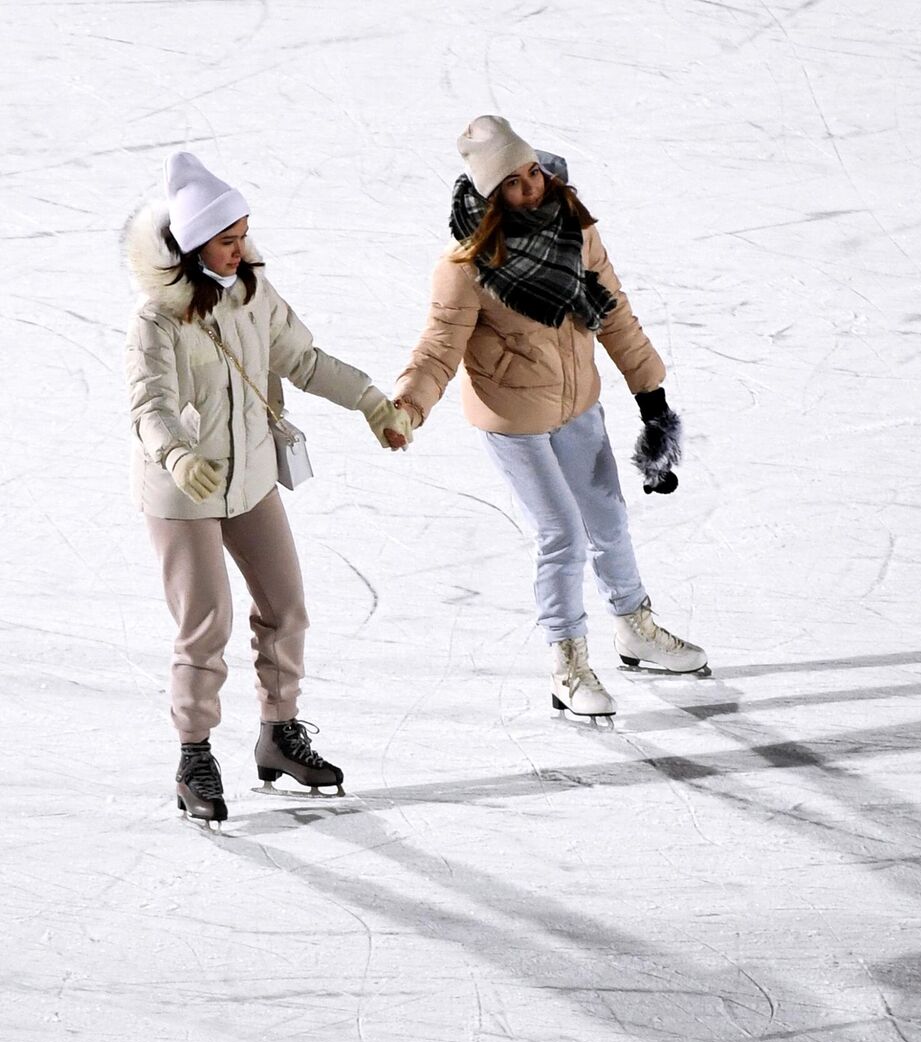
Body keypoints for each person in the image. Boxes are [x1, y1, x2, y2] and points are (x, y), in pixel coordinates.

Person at [125, 152, 414, 825]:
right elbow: (150, 405)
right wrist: (175, 458)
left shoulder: (254, 294)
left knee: (286, 606)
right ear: (195, 244)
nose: (241, 248)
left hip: (250, 476)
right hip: (183, 492)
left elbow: (304, 360)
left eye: (244, 234)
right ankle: (194, 753)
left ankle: (278, 733)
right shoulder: (156, 320)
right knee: (206, 627)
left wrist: (371, 400)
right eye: (228, 240)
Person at [393, 116, 707, 724]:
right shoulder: (466, 268)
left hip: (578, 404)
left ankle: (634, 629)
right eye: (513, 181)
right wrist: (408, 405)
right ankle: (568, 661)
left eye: (532, 171)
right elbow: (436, 350)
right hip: (513, 418)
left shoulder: (574, 228)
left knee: (609, 517)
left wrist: (653, 400)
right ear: (491, 194)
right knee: (561, 532)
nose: (531, 187)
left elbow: (613, 314)